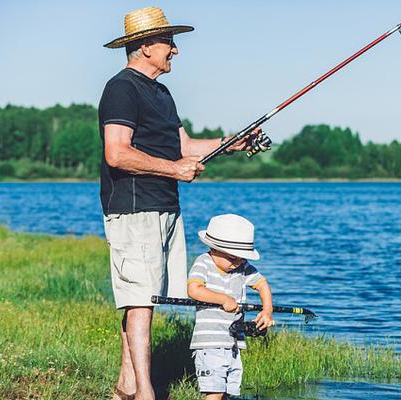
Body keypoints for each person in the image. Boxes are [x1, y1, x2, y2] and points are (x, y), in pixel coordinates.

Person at [100, 7, 259, 400]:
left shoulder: (162, 93)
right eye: (169, 42)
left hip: (166, 207)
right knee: (140, 301)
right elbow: (116, 153)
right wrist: (173, 169)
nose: (175, 50)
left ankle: (126, 386)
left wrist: (231, 144)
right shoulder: (122, 88)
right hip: (133, 208)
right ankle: (145, 394)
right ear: (144, 46)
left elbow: (186, 148)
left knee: (146, 299)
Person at [188, 214, 275, 399]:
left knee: (229, 391)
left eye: (241, 259)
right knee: (214, 392)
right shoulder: (203, 262)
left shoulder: (242, 267)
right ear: (213, 249)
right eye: (233, 258)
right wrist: (223, 299)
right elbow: (194, 290)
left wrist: (267, 311)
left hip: (234, 343)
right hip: (209, 343)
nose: (237, 263)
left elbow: (262, 284)